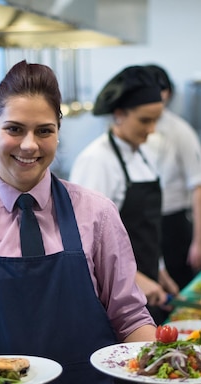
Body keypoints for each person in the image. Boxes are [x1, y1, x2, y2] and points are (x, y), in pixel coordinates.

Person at [0, 60, 184, 384]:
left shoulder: (97, 215)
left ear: (58, 131)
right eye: (14, 129)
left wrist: (161, 365)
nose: (29, 145)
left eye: (44, 131)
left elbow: (130, 316)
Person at [68, 65, 179, 325]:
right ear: (118, 114)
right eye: (144, 120)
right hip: (113, 295)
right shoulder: (97, 160)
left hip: (146, 287)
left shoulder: (143, 154)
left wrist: (159, 270)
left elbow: (145, 229)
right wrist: (135, 279)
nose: (152, 130)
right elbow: (85, 241)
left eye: (156, 120)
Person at [144, 65, 201, 290]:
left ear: (168, 94)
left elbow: (200, 187)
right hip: (143, 226)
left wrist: (199, 241)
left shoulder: (180, 130)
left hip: (173, 225)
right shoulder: (128, 133)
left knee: (178, 291)